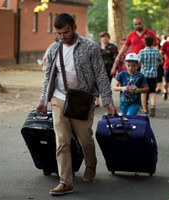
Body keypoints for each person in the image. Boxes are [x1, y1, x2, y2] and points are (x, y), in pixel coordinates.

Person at [35, 13, 116, 195]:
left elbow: (101, 75)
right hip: (59, 98)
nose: (62, 37)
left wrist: (108, 102)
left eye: (65, 32)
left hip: (82, 100)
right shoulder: (54, 48)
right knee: (62, 142)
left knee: (85, 139)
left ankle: (90, 164)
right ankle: (66, 181)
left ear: (74, 28)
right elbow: (48, 77)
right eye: (59, 33)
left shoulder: (90, 47)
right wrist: (42, 100)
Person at [138, 35, 163, 117]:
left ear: (144, 43)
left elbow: (138, 61)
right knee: (152, 91)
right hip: (153, 74)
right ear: (153, 42)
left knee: (143, 92)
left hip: (144, 74)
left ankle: (144, 110)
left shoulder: (142, 52)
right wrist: (157, 64)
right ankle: (152, 106)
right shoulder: (156, 51)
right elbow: (161, 61)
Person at [95, 32, 118, 107]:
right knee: (96, 84)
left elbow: (116, 59)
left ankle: (108, 102)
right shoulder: (96, 46)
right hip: (98, 69)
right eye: (103, 37)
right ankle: (97, 102)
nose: (105, 38)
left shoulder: (113, 47)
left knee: (107, 85)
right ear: (100, 38)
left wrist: (114, 69)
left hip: (109, 69)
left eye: (107, 37)